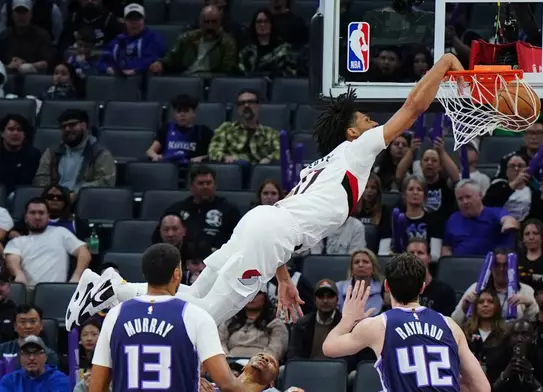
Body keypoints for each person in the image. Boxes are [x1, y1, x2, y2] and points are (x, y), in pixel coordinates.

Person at [66, 53, 466, 331]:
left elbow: (283, 217)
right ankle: (112, 287)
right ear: (352, 131)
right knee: (205, 316)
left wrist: (284, 279)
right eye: (365, 118)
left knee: (190, 293)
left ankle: (106, 286)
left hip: (263, 222)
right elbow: (413, 107)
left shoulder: (323, 166)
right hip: (272, 231)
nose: (373, 121)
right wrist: (445, 63)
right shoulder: (359, 147)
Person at [322, 253, 490, 392]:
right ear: (422, 287)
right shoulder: (450, 325)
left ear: (387, 286)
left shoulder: (378, 325)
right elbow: (482, 388)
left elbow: (329, 348)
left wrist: (347, 320)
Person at [89, 243, 245, 392]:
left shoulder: (115, 315)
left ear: (144, 274)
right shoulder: (196, 315)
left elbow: (97, 385)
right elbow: (227, 384)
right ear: (177, 274)